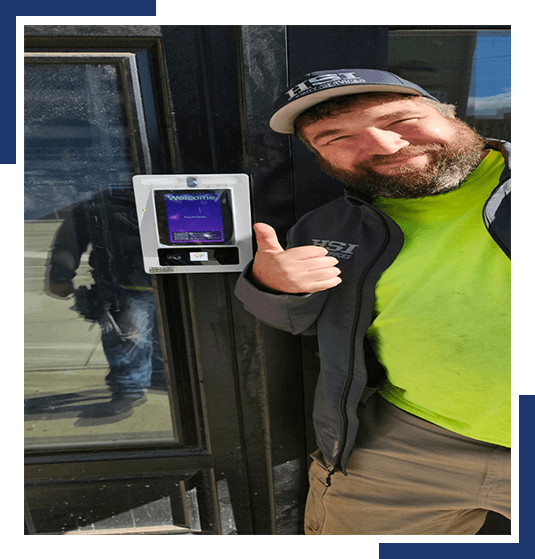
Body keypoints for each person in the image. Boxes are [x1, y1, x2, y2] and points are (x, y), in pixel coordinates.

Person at [234, 69, 511, 535]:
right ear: (318, 155)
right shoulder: (331, 227)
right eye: (336, 137)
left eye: (401, 120)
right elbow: (298, 321)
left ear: (450, 114)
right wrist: (270, 284)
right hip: (410, 441)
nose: (384, 145)